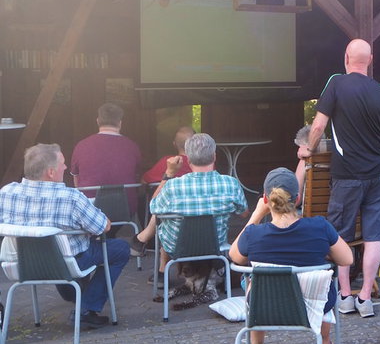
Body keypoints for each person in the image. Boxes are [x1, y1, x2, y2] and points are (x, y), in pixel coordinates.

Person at [304, 38, 380, 319]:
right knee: (373, 237)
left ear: (346, 58)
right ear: (370, 60)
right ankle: (365, 297)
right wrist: (374, 149)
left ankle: (345, 296)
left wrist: (308, 149)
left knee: (342, 236)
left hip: (347, 175)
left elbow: (319, 125)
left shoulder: (336, 83)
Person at [229, 168, 354, 344]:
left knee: (253, 282)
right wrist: (323, 251)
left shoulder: (254, 234)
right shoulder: (320, 227)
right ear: (297, 199)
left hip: (266, 306)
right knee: (324, 283)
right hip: (314, 305)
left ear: (266, 199)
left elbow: (235, 256)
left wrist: (256, 215)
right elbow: (347, 258)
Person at [0, 143, 130, 329]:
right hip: (66, 265)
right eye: (62, 163)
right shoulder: (72, 197)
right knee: (120, 249)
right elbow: (103, 227)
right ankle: (86, 309)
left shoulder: (6, 193)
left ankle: (75, 293)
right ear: (51, 172)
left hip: (22, 266)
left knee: (73, 251)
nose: (66, 167)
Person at [138, 133, 249, 279]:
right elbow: (244, 213)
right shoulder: (231, 184)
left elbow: (153, 207)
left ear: (188, 159)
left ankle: (162, 271)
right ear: (214, 157)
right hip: (216, 246)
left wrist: (168, 174)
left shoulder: (172, 186)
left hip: (177, 248)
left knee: (165, 221)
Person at [70, 102, 143, 215]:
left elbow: (76, 179)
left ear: (98, 121)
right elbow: (138, 175)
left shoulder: (82, 146)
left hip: (89, 210)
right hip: (125, 210)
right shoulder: (132, 146)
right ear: (120, 123)